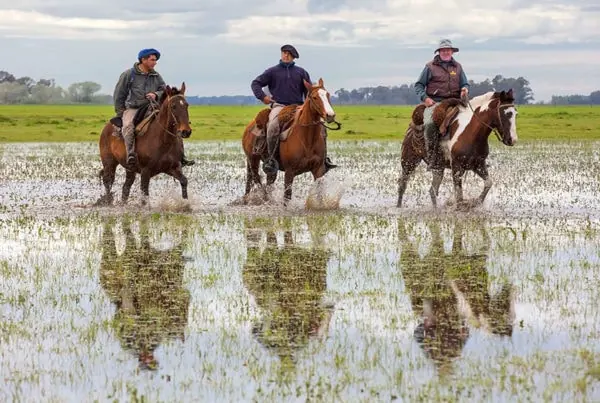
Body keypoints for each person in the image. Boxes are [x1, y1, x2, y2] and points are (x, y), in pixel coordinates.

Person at [251, 44, 337, 174]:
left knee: (322, 128)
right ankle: (271, 159)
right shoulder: (272, 71)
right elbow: (255, 83)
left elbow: (309, 92)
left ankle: (324, 159)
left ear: (293, 57)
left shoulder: (301, 72)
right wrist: (263, 97)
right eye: (284, 53)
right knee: (273, 126)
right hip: (279, 106)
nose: (286, 55)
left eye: (289, 54)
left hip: (298, 106)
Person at [113, 48, 194, 167]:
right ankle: (130, 154)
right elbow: (119, 94)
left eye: (155, 60)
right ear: (143, 60)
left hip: (152, 107)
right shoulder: (128, 75)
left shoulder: (156, 75)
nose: (155, 62)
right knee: (128, 126)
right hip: (133, 108)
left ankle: (181, 156)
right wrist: (120, 112)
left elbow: (163, 89)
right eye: (152, 60)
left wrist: (155, 94)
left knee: (173, 124)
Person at [414, 39, 469, 170]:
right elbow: (419, 85)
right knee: (430, 124)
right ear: (439, 52)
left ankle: (475, 157)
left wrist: (465, 89)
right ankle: (432, 158)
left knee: (473, 121)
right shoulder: (430, 67)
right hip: (435, 102)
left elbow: (465, 83)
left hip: (455, 102)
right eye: (443, 50)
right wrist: (425, 98)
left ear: (452, 52)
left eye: (448, 50)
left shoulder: (458, 67)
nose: (446, 52)